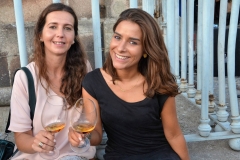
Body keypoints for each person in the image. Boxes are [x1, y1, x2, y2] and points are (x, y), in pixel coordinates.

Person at [70, 8, 190, 160]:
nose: (120, 48)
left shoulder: (158, 82)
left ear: (146, 49)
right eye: (117, 37)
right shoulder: (93, 82)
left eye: (133, 42)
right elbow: (97, 135)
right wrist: (83, 136)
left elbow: (174, 135)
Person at [9, 3, 102, 160]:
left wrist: (84, 138)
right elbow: (21, 138)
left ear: (73, 38)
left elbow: (97, 135)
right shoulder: (25, 77)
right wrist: (35, 143)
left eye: (67, 28)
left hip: (76, 156)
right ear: (40, 35)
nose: (60, 34)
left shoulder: (84, 71)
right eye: (53, 27)